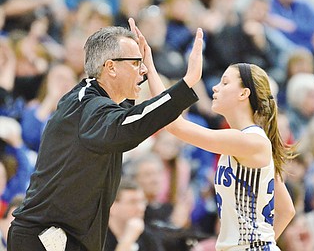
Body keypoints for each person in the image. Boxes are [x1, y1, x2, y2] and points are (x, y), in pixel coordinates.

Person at [7, 19, 204, 251]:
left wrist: (147, 65)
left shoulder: (96, 103)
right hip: (45, 239)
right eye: (136, 63)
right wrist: (187, 82)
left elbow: (126, 115)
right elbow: (131, 124)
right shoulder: (86, 105)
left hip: (64, 240)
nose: (142, 71)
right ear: (110, 67)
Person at [132, 14, 295, 249]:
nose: (216, 88)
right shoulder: (249, 141)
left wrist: (161, 70)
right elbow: (286, 209)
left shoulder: (249, 141)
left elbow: (173, 123)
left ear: (244, 94)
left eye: (226, 83)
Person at [104, 177, 164, 251]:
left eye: (142, 201)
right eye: (132, 202)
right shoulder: (98, 237)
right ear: (112, 207)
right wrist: (128, 239)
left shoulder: (147, 237)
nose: (141, 208)